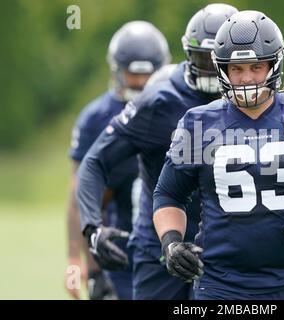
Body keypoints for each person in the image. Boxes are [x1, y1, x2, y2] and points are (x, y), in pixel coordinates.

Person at [152, 10, 284, 300]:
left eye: (256, 67)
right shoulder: (198, 123)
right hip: (219, 283)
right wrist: (172, 243)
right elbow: (168, 194)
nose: (246, 78)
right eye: (237, 69)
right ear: (222, 70)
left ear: (273, 65)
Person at [76, 4, 239, 300]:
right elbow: (95, 161)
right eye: (205, 59)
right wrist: (92, 229)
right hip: (158, 250)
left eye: (221, 60)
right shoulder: (158, 100)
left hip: (230, 250)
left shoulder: (258, 101)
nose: (213, 70)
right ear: (188, 55)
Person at [66, 20, 171, 300]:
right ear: (117, 70)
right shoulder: (96, 118)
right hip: (118, 253)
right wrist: (83, 263)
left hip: (171, 251)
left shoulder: (180, 108)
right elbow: (81, 196)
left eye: (147, 74)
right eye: (131, 74)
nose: (139, 83)